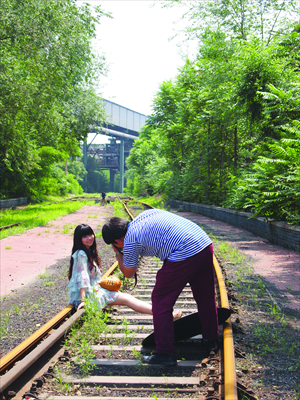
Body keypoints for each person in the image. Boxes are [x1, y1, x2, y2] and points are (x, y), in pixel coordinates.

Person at [102, 209, 219, 366]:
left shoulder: (130, 241)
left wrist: (117, 253)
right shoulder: (143, 216)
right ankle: (211, 340)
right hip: (203, 243)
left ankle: (165, 353)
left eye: (113, 245)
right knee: (205, 296)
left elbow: (128, 273)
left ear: (117, 241)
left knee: (160, 301)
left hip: (183, 253)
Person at [68, 224, 182, 319]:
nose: (90, 238)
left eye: (90, 234)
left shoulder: (87, 252)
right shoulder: (82, 254)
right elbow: (82, 277)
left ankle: (164, 314)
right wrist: (83, 300)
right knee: (128, 299)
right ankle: (165, 315)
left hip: (93, 290)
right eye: (85, 236)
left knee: (128, 299)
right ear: (79, 239)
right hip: (89, 294)